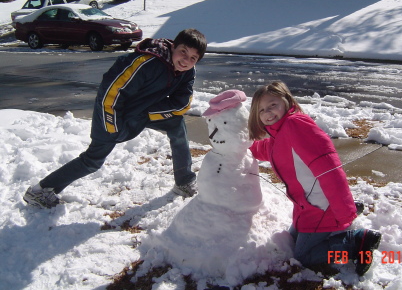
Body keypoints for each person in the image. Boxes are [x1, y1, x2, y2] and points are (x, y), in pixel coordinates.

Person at [23, 28, 207, 209]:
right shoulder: (146, 63)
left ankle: (184, 180)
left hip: (144, 112)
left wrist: (146, 113)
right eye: (183, 52)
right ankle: (40, 190)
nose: (186, 61)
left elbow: (182, 104)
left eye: (193, 58)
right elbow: (110, 94)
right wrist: (112, 125)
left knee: (177, 125)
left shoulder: (188, 72)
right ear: (173, 46)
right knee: (92, 161)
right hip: (111, 113)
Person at [248, 81, 381, 276]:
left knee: (305, 256)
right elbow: (266, 149)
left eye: (272, 105)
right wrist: (238, 148)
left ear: (287, 101)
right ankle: (345, 214)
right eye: (261, 110)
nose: (268, 112)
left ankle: (356, 242)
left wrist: (344, 211)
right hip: (307, 205)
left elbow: (329, 169)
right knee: (291, 239)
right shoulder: (279, 133)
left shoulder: (295, 126)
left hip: (321, 204)